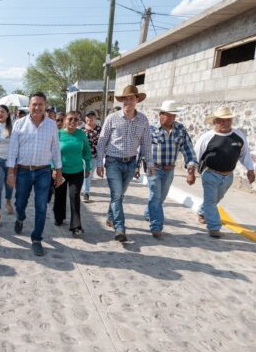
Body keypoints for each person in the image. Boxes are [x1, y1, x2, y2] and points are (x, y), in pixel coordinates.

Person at [6, 92, 62, 256]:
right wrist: (10, 172)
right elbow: (13, 150)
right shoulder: (19, 124)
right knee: (20, 202)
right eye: (34, 104)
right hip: (23, 171)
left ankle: (36, 238)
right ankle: (20, 218)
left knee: (41, 206)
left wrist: (58, 172)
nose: (37, 107)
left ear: (45, 105)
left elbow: (55, 149)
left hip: (43, 171)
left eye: (40, 104)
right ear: (29, 106)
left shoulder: (51, 125)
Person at [96, 85, 153, 242]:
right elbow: (102, 142)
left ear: (137, 100)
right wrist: (99, 163)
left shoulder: (143, 120)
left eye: (132, 98)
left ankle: (110, 216)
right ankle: (120, 228)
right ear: (122, 101)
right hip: (113, 162)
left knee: (119, 195)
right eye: (126, 98)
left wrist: (150, 163)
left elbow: (146, 143)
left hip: (130, 163)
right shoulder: (112, 118)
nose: (128, 101)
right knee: (117, 194)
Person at [194, 106, 255, 238]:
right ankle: (214, 227)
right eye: (221, 120)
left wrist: (250, 169)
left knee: (216, 199)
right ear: (215, 121)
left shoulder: (238, 136)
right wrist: (191, 172)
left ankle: (202, 211)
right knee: (211, 200)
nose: (225, 123)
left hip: (228, 176)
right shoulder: (207, 137)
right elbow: (196, 155)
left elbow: (245, 154)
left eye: (228, 120)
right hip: (210, 174)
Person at [142, 100, 197, 237]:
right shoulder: (151, 129)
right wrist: (137, 167)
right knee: (155, 196)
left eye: (174, 115)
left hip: (169, 170)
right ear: (161, 115)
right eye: (169, 115)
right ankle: (156, 226)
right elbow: (143, 149)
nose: (172, 118)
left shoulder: (180, 129)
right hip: (153, 168)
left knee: (160, 197)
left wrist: (191, 169)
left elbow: (188, 149)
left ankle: (149, 213)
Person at [53, 110, 91, 237]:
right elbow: (51, 153)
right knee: (59, 196)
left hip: (77, 172)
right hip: (61, 171)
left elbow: (86, 151)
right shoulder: (57, 134)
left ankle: (76, 226)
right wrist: (53, 168)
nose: (73, 122)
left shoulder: (81, 135)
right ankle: (59, 217)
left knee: (74, 197)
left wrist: (88, 167)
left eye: (76, 119)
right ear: (65, 120)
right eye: (70, 119)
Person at [0, 104, 14, 228]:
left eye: (2, 112)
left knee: (9, 185)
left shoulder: (13, 127)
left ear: (8, 114)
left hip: (10, 161)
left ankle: (8, 201)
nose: (0, 114)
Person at [82, 111, 101, 202]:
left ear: (95, 119)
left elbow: (102, 143)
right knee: (85, 173)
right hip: (82, 156)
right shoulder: (81, 129)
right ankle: (86, 192)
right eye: (88, 117)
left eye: (92, 117)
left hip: (94, 155)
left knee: (89, 174)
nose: (90, 119)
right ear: (85, 119)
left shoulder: (99, 129)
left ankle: (85, 189)